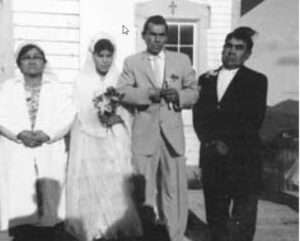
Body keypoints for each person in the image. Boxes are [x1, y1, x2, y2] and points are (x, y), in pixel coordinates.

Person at [117, 15, 199, 241]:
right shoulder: (132, 62)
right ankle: (146, 234)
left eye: (161, 34)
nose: (156, 39)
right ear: (144, 35)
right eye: (152, 34)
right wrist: (147, 94)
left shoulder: (181, 60)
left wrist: (179, 96)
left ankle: (174, 235)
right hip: (144, 135)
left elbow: (194, 92)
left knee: (174, 189)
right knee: (144, 190)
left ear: (167, 37)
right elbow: (121, 91)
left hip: (172, 136)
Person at [193, 27, 268, 241]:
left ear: (247, 54)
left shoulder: (257, 80)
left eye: (238, 48)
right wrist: (211, 141)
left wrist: (228, 144)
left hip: (243, 158)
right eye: (228, 46)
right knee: (216, 217)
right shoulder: (205, 79)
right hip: (212, 158)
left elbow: (253, 118)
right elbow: (199, 117)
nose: (231, 52)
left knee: (242, 220)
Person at [65, 33, 142, 241]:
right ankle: (93, 227)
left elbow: (127, 109)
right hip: (88, 137)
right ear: (94, 56)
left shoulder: (118, 79)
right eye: (101, 56)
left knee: (113, 180)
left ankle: (113, 225)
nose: (105, 60)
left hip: (112, 137)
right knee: (91, 181)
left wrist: (116, 118)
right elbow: (78, 109)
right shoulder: (82, 80)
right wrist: (97, 115)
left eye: (109, 56)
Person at [0, 43, 76, 239]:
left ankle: (48, 226)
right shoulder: (8, 88)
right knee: (19, 193)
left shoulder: (57, 89)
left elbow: (68, 115)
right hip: (18, 145)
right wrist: (18, 133)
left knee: (49, 191)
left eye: (37, 57)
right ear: (19, 64)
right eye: (27, 57)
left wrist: (48, 134)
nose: (32, 61)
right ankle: (21, 227)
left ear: (44, 63)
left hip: (47, 146)